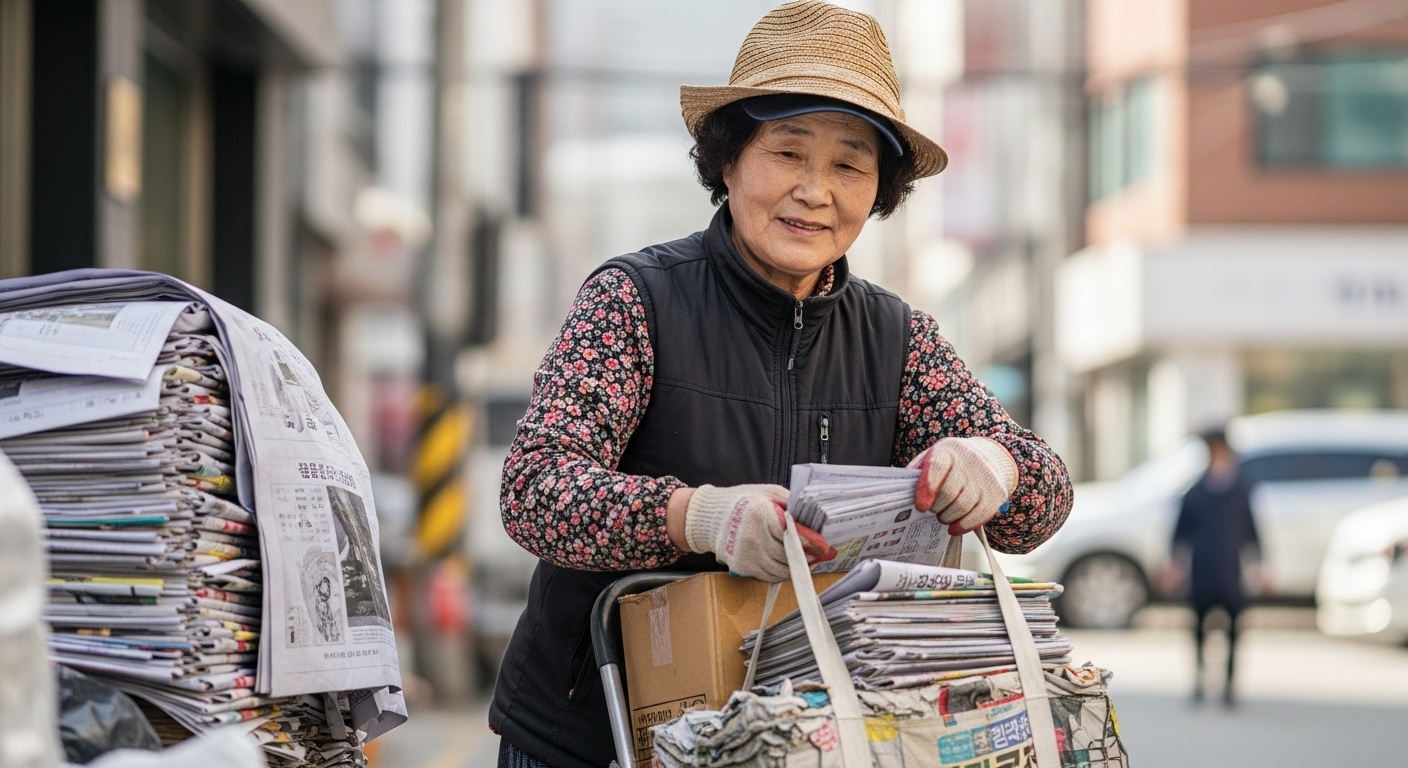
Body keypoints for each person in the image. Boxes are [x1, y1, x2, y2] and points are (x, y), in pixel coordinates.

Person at [488, 3, 1074, 766]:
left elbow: (1042, 499)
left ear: (880, 191)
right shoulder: (636, 300)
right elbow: (534, 490)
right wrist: (698, 518)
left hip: (807, 746)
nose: (815, 191)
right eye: (788, 152)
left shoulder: (899, 340)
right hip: (596, 740)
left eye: (849, 165)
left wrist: (992, 467)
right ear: (727, 160)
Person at [1169, 428, 1264, 706]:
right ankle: (1199, 682)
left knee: (1234, 629)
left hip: (1231, 569)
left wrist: (1259, 564)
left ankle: (1229, 686)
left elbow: (1251, 529)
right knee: (1199, 628)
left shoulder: (1240, 489)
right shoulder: (1196, 490)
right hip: (1202, 567)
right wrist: (1175, 565)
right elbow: (1180, 532)